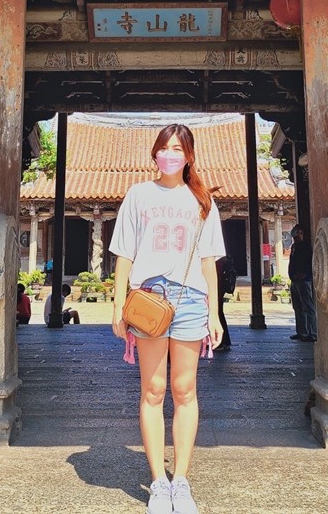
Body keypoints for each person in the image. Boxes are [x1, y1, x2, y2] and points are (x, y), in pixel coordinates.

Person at [110, 123, 226, 514]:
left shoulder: (203, 201)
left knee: (185, 390)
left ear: (189, 155)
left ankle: (182, 481)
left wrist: (214, 312)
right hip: (149, 300)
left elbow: (209, 260)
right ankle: (158, 481)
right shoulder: (139, 195)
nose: (170, 153)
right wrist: (117, 304)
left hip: (192, 300)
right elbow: (124, 253)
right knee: (153, 390)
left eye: (177, 148)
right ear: (155, 153)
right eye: (165, 147)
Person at [288, 224, 317, 342]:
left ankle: (312, 332)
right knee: (297, 307)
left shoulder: (306, 247)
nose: (296, 236)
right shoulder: (294, 247)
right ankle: (301, 331)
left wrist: (304, 274)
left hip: (305, 280)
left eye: (297, 234)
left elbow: (310, 262)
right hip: (294, 280)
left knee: (308, 307)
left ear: (301, 233)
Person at [214, 255, 236, 351]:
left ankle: (221, 341)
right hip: (219, 288)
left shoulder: (217, 260)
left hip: (216, 288)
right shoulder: (223, 259)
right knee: (219, 313)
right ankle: (224, 341)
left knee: (217, 313)